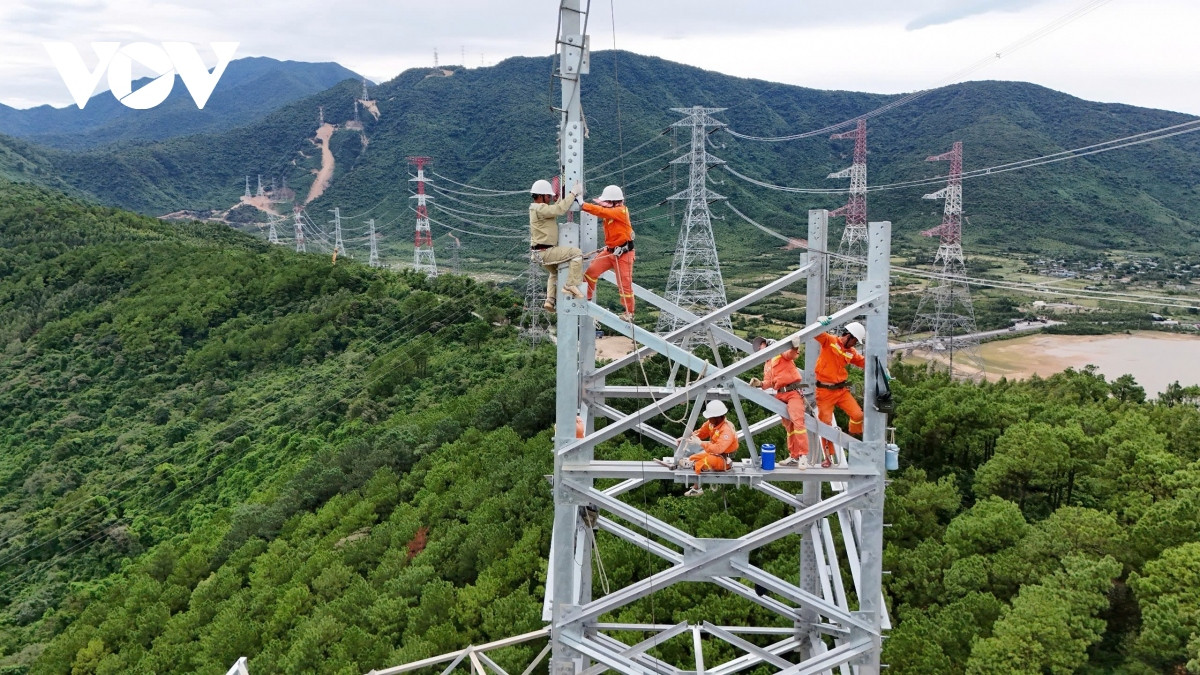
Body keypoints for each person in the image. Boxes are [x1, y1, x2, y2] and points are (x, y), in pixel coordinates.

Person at [749, 335, 810, 468]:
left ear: (769, 343)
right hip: (781, 394)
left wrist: (794, 346)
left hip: (793, 392)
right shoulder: (767, 364)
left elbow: (791, 354)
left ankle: (803, 455)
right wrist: (760, 384)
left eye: (762, 345)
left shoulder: (780, 352)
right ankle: (794, 456)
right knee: (789, 427)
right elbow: (769, 382)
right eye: (760, 348)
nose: (761, 348)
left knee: (798, 422)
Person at [813, 318, 867, 468]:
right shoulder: (829, 341)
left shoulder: (851, 352)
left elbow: (863, 362)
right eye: (855, 341)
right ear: (848, 336)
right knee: (825, 425)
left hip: (841, 391)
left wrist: (882, 368)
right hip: (824, 392)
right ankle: (828, 457)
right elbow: (815, 333)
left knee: (857, 415)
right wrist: (819, 322)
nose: (855, 344)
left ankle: (853, 437)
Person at [581, 185, 636, 321]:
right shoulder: (611, 212)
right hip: (611, 251)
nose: (604, 206)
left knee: (624, 284)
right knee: (591, 272)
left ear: (613, 202)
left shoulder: (621, 211)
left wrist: (583, 205)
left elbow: (599, 211)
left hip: (624, 253)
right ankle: (586, 297)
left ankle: (629, 312)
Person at [529, 179, 584, 312]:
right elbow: (559, 210)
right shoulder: (540, 208)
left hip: (539, 253)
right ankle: (571, 284)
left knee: (555, 273)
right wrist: (572, 193)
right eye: (548, 196)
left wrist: (561, 198)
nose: (550, 199)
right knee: (576, 253)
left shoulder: (538, 208)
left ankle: (550, 300)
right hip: (546, 251)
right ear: (540, 196)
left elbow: (555, 208)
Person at [677, 400, 739, 496]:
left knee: (702, 462)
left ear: (717, 417)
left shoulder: (726, 431)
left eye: (710, 417)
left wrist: (701, 443)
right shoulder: (712, 424)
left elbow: (719, 449)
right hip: (714, 454)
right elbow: (700, 433)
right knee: (693, 457)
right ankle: (696, 486)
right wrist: (686, 439)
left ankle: (697, 485)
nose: (709, 419)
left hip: (724, 460)